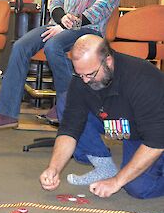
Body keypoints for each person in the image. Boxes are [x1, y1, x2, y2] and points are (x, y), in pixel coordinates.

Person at [40, 34, 164, 199]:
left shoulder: (143, 80)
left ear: (108, 61)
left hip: (152, 135)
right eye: (80, 74)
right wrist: (54, 168)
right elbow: (70, 128)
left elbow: (155, 142)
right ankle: (104, 166)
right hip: (124, 125)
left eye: (90, 74)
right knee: (65, 101)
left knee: (138, 187)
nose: (84, 81)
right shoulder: (83, 77)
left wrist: (116, 181)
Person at [0, 0, 120, 129]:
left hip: (89, 29)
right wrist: (62, 19)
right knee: (20, 46)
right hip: (59, 26)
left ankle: (67, 105)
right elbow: (56, 0)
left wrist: (69, 25)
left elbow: (101, 8)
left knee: (53, 46)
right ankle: (6, 112)